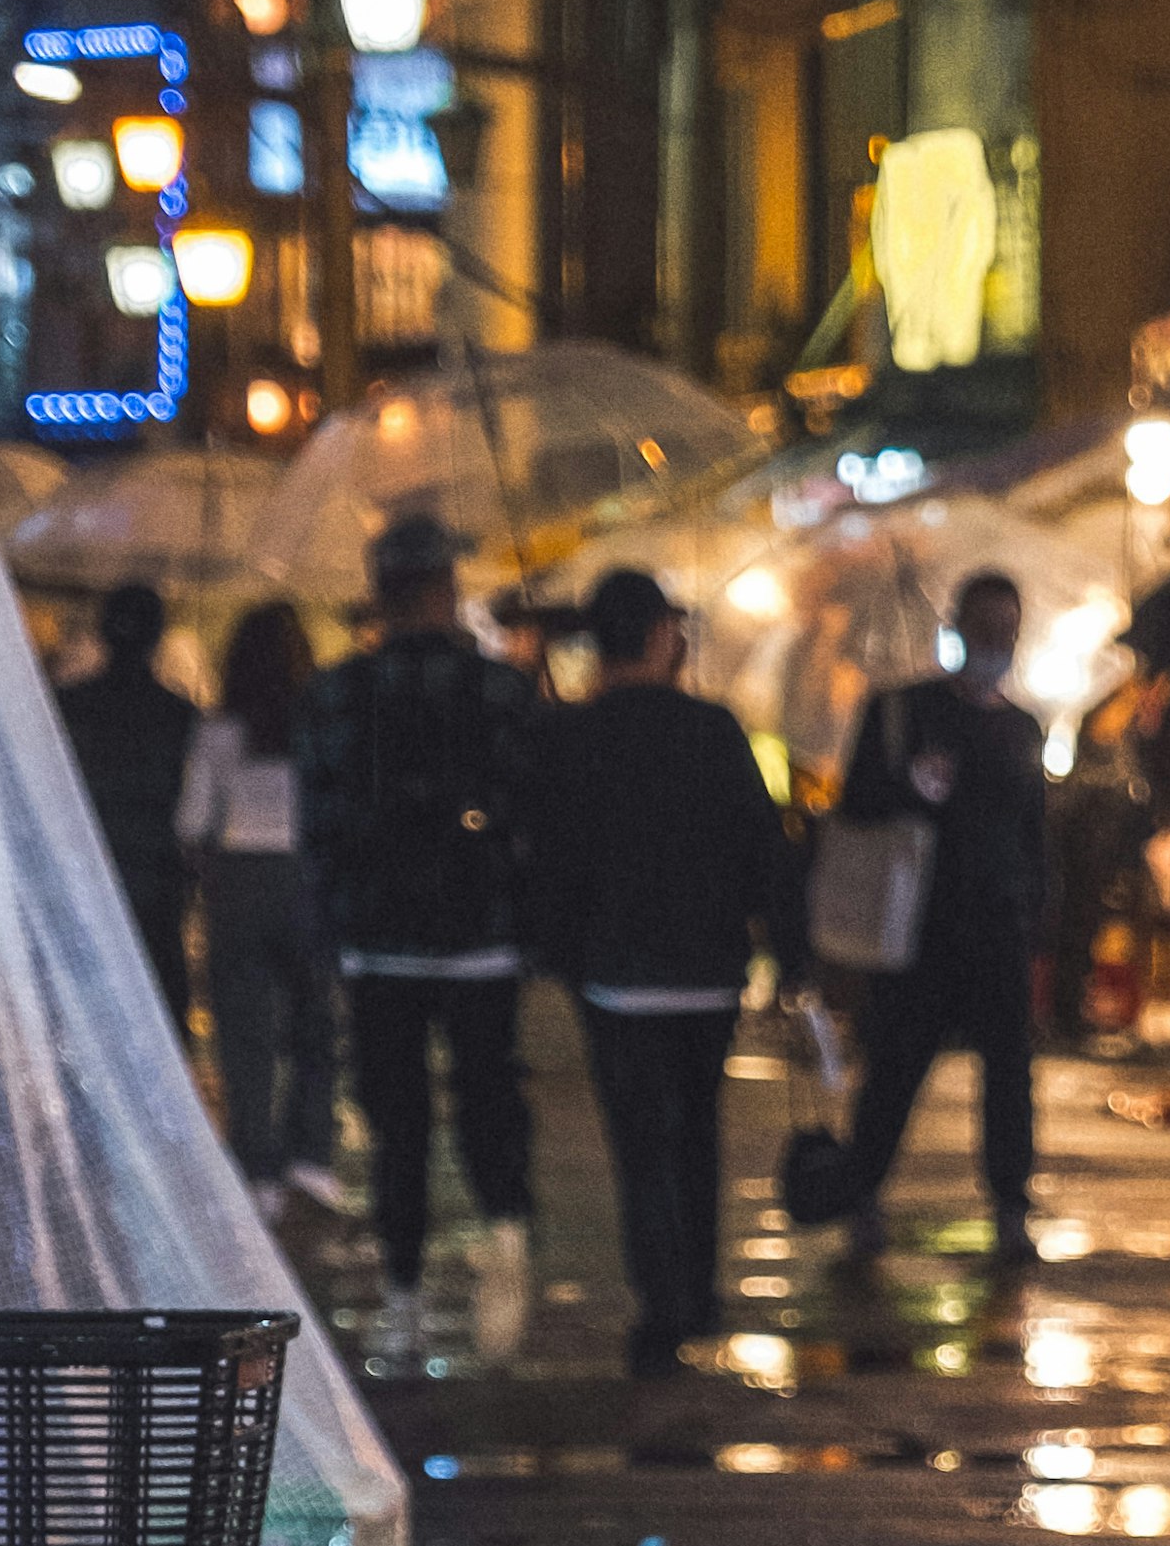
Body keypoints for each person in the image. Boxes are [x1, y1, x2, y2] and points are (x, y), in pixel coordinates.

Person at [298, 507, 545, 1378]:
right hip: (482, 935)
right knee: (489, 1099)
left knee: (396, 1123)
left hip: (380, 940)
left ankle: (401, 1302)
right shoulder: (503, 690)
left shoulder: (337, 693)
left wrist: (337, 922)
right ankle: (507, 1242)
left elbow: (317, 826)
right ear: (447, 589)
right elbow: (534, 811)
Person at [536, 563, 796, 1376]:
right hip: (708, 970)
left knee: (640, 1140)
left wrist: (564, 956)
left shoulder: (572, 738)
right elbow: (765, 848)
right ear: (656, 635)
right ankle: (699, 1283)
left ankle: (663, 1295)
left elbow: (552, 866)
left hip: (617, 976)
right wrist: (787, 950)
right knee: (698, 1129)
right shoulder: (714, 731)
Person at [831, 565, 1050, 1267]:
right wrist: (909, 786)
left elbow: (1035, 831)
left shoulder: (1022, 728)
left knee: (1009, 1077)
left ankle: (1010, 1208)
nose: (997, 643)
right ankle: (860, 1195)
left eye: (1008, 631)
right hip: (917, 928)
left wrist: (1041, 918)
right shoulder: (906, 711)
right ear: (957, 628)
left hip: (999, 927)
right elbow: (855, 804)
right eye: (986, 629)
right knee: (895, 1067)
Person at [178, 602, 341, 1213]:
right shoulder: (320, 724)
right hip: (308, 874)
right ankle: (312, 1157)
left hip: (240, 878)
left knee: (245, 1033)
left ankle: (257, 1168)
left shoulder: (219, 731)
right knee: (315, 1023)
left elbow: (193, 822)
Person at [59, 580, 196, 1010]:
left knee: (85, 1006)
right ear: (158, 637)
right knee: (159, 1001)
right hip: (156, 878)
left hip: (83, 871)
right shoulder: (179, 715)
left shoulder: (67, 707)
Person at [1050, 698, 1160, 1037]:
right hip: (1087, 859)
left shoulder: (1124, 754)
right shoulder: (1102, 761)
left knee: (1086, 932)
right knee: (1076, 932)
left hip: (1103, 858)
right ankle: (1068, 1014)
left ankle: (1072, 1012)